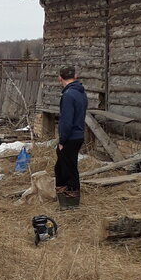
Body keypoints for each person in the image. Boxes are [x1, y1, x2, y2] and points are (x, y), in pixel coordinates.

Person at [55, 65, 87, 208]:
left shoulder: (68, 95)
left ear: (59, 78)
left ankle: (71, 203)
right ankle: (62, 199)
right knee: (61, 167)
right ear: (76, 76)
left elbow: (66, 121)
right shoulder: (80, 93)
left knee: (68, 170)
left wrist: (62, 141)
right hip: (78, 135)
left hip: (70, 137)